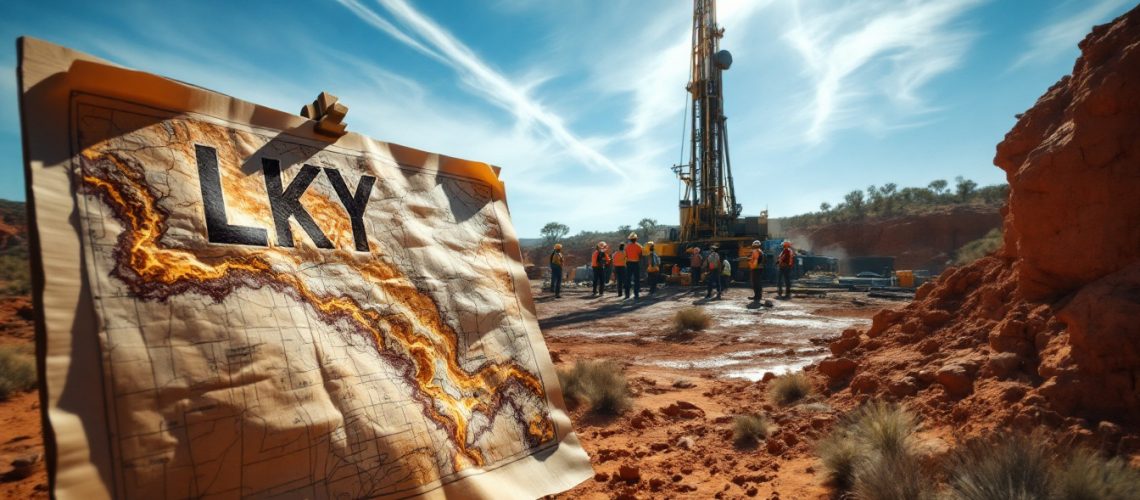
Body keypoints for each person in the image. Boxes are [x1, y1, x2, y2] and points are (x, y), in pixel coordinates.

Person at [625, 232, 644, 299]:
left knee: (628, 279)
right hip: (636, 264)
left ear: (630, 239)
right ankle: (636, 294)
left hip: (629, 263)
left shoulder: (627, 247)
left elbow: (626, 255)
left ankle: (627, 294)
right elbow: (641, 255)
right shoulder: (639, 246)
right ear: (636, 239)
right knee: (636, 279)